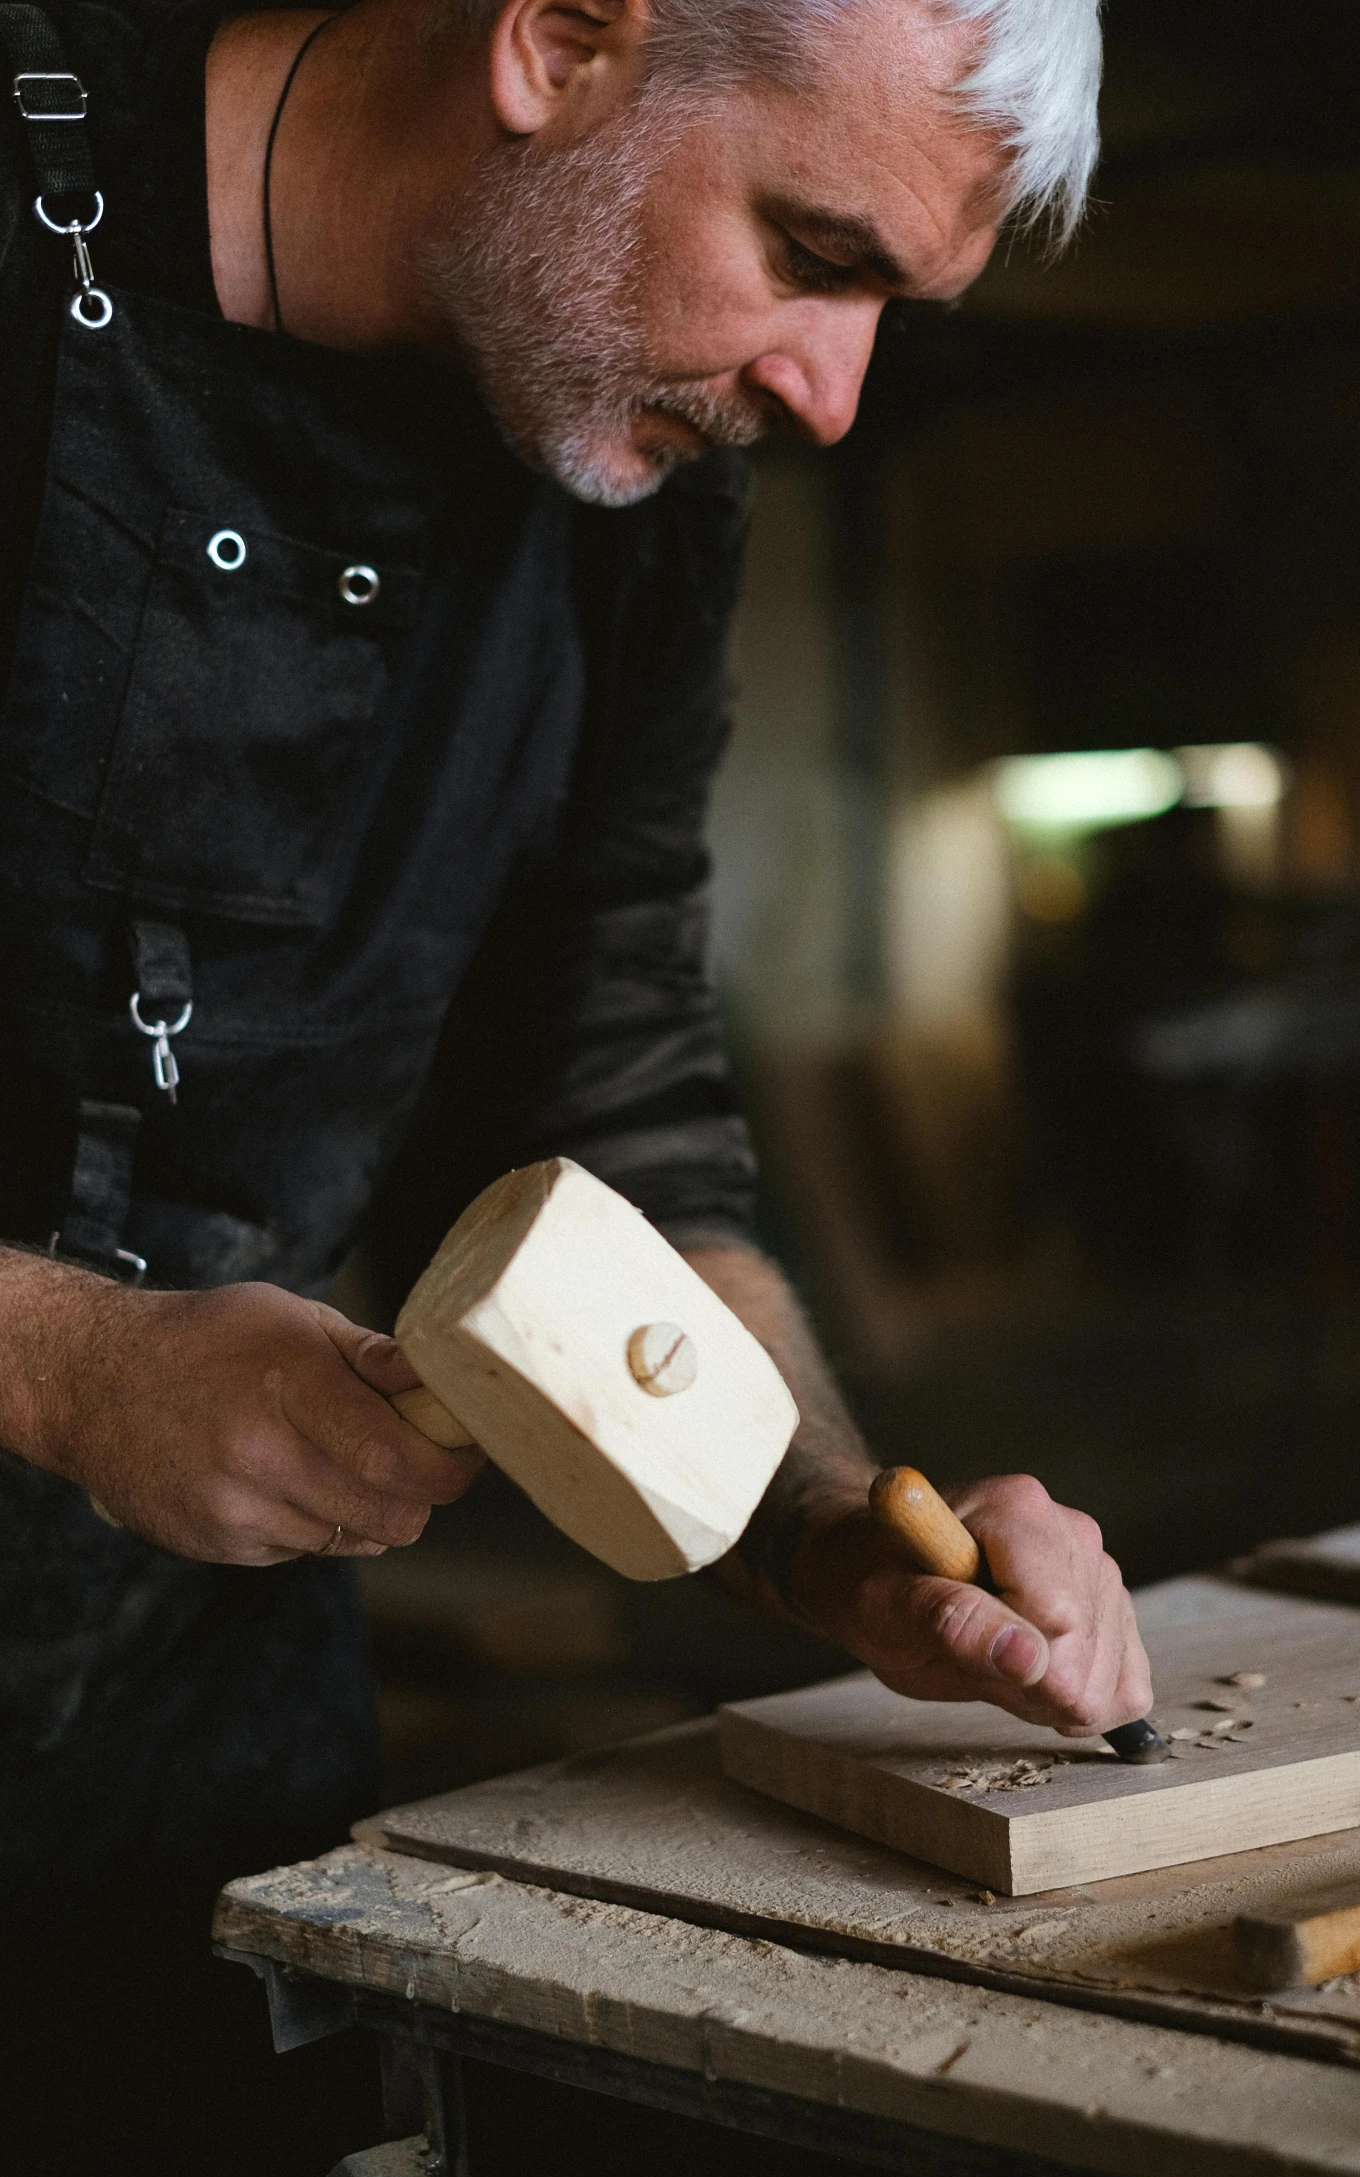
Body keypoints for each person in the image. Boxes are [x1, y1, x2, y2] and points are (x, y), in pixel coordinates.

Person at [0, 0, 1148, 1916]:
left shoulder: (640, 485)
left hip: (194, 1740)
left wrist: (824, 1530)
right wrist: (66, 1371)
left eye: (890, 309)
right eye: (811, 254)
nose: (834, 395)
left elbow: (600, 1097)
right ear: (561, 39)